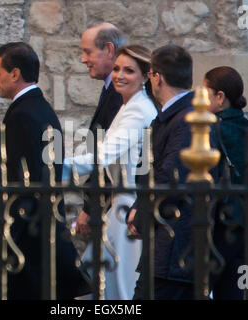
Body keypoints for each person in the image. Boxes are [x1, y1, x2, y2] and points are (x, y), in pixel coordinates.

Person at [0, 42, 90, 300]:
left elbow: (23, 186)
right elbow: (37, 168)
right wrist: (1, 162)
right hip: (42, 232)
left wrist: (2, 237)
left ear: (15, 74)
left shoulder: (21, 115)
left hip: (23, 241)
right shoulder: (41, 109)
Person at [63, 45, 158, 299]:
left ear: (146, 76)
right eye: (116, 69)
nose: (119, 75)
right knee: (98, 282)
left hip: (130, 208)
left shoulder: (139, 109)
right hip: (120, 206)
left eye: (129, 70)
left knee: (122, 288)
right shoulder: (129, 106)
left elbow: (104, 154)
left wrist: (57, 168)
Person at [127, 44, 218, 300]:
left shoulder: (187, 120)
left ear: (157, 77)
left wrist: (141, 218)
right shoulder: (172, 117)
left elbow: (170, 179)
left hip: (175, 252)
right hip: (169, 250)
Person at [203, 66, 248, 300]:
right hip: (243, 220)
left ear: (219, 97)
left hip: (222, 219)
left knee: (202, 286)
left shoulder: (215, 129)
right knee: (233, 291)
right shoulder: (243, 124)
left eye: (204, 93)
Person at [75, 22, 127, 235]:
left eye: (88, 52)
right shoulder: (110, 91)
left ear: (108, 50)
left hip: (118, 206)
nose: (83, 59)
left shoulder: (120, 97)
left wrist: (91, 207)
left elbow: (111, 157)